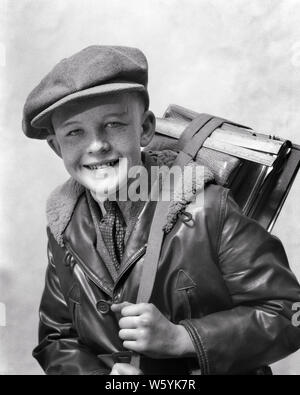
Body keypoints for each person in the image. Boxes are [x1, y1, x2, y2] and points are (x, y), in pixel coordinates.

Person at [22, 45, 300, 375]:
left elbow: (288, 313)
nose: (96, 145)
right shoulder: (63, 224)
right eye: (74, 132)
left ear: (145, 129)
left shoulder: (209, 209)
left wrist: (183, 338)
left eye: (113, 124)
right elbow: (57, 337)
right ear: (57, 146)